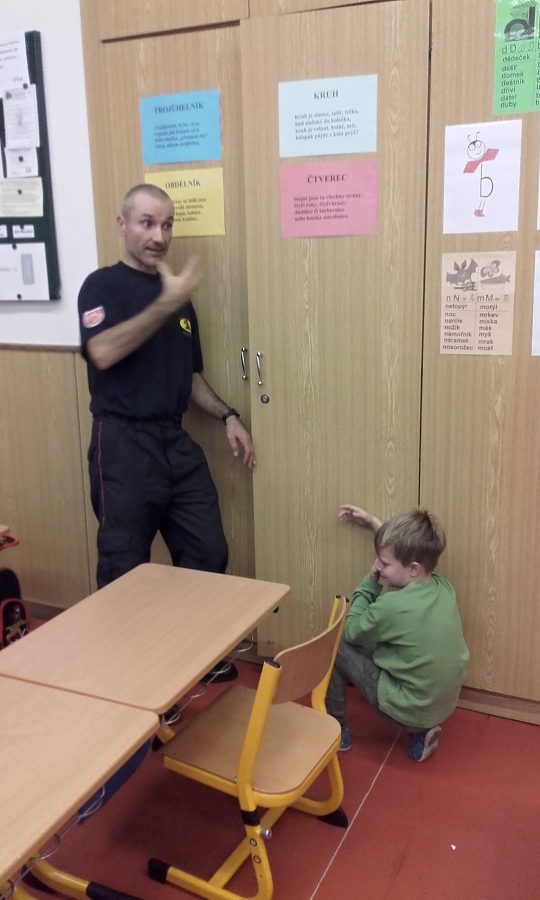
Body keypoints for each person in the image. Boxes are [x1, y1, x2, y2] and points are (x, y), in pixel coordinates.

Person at [78, 183, 255, 684]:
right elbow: (102, 352)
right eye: (147, 223)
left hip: (173, 441)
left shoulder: (179, 301)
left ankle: (192, 657)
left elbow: (190, 376)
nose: (159, 235)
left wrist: (228, 415)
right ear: (122, 225)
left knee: (208, 551)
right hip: (122, 442)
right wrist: (166, 301)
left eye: (167, 224)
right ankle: (133, 682)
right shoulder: (102, 286)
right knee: (125, 569)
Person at [326, 504, 468, 761]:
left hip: (408, 712)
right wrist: (373, 522)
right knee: (391, 645)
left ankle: (336, 730)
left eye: (384, 563)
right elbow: (409, 551)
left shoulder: (391, 606)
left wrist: (370, 582)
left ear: (413, 568)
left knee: (336, 645)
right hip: (441, 705)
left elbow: (350, 631)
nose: (379, 567)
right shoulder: (442, 586)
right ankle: (421, 732)